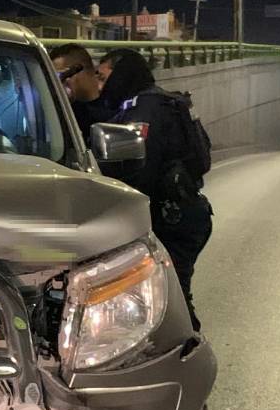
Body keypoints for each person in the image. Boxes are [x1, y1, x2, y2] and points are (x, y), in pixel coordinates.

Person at [55, 45, 213, 332]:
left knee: (171, 299)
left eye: (104, 77)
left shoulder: (145, 109)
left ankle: (185, 349)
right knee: (164, 294)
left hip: (173, 220)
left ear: (122, 73)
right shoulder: (157, 102)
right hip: (182, 214)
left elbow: (139, 172)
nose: (101, 84)